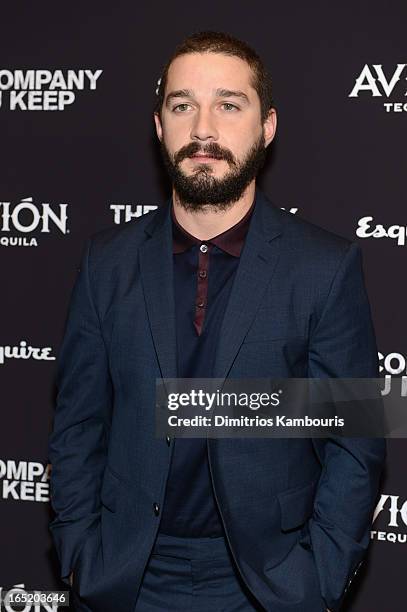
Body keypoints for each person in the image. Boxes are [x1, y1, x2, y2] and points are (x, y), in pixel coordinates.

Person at [48, 31, 386, 612]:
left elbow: (357, 444)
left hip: (267, 583)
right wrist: (81, 555)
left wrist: (316, 579)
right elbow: (77, 425)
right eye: (183, 105)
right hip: (125, 578)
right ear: (159, 125)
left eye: (229, 105)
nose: (203, 128)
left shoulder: (326, 267)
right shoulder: (105, 262)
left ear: (268, 126)